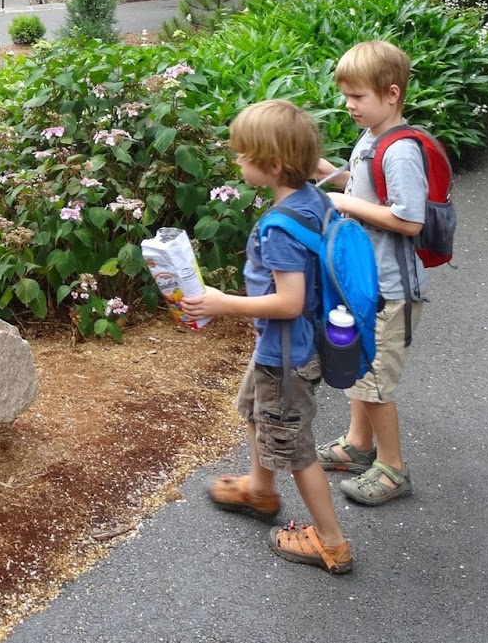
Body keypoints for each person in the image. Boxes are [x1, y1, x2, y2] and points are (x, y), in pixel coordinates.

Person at [181, 99, 354, 575]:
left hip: (287, 354)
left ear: (273, 164)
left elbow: (288, 302)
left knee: (295, 447)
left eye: (243, 154)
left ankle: (331, 542)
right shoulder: (314, 200)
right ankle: (260, 490)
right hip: (287, 348)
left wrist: (223, 303)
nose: (237, 161)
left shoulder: (280, 228)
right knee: (254, 412)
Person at [314, 38, 427, 506]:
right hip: (367, 282)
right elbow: (362, 185)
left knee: (376, 381)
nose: (349, 105)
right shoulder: (371, 138)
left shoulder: (400, 150)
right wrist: (327, 174)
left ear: (391, 93)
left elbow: (409, 218)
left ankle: (393, 468)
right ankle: (358, 446)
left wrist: (345, 203)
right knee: (359, 368)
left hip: (391, 288)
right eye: (346, 95)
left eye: (358, 96)